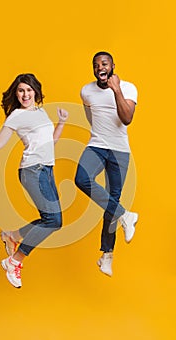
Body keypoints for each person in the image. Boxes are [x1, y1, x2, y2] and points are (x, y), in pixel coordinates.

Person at [0, 73, 68, 288]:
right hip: (32, 170)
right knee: (52, 220)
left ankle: (11, 235)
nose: (25, 94)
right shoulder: (16, 115)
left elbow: (50, 142)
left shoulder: (41, 112)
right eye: (21, 91)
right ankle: (14, 261)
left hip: (47, 170)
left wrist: (61, 123)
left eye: (28, 90)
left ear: (35, 91)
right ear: (16, 94)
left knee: (54, 221)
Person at [75, 51, 138, 277]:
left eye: (104, 63)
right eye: (95, 64)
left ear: (112, 66)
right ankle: (126, 215)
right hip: (97, 145)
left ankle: (107, 256)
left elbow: (127, 118)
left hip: (120, 151)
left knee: (112, 201)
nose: (100, 67)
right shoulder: (86, 90)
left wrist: (116, 89)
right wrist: (99, 134)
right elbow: (90, 116)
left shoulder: (128, 88)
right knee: (81, 179)